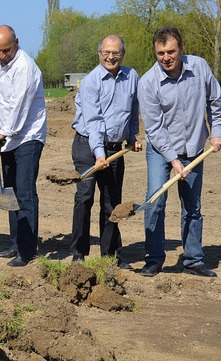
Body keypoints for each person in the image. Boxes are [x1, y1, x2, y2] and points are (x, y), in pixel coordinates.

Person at [138, 26, 221, 277]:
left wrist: (217, 131)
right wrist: (174, 161)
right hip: (160, 150)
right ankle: (154, 259)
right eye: (160, 53)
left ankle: (193, 260)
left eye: (171, 51)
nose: (166, 57)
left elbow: (216, 102)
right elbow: (155, 128)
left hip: (195, 148)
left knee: (192, 205)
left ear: (182, 49)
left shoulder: (199, 68)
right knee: (155, 201)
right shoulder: (148, 83)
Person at [0, 25, 47, 267]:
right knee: (11, 193)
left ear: (17, 42)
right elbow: (1, 92)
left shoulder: (25, 68)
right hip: (7, 138)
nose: (2, 55)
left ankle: (27, 251)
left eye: (6, 50)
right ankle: (16, 243)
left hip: (27, 137)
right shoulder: (0, 63)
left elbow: (19, 108)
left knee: (25, 193)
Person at [69, 35, 141, 269]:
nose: (111, 57)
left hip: (114, 148)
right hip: (87, 144)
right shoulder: (91, 81)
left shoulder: (132, 77)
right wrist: (99, 154)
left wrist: (132, 137)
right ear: (99, 54)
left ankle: (110, 256)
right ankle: (79, 253)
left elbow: (132, 110)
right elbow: (93, 121)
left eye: (116, 53)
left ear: (123, 54)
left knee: (112, 203)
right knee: (85, 197)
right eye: (106, 53)